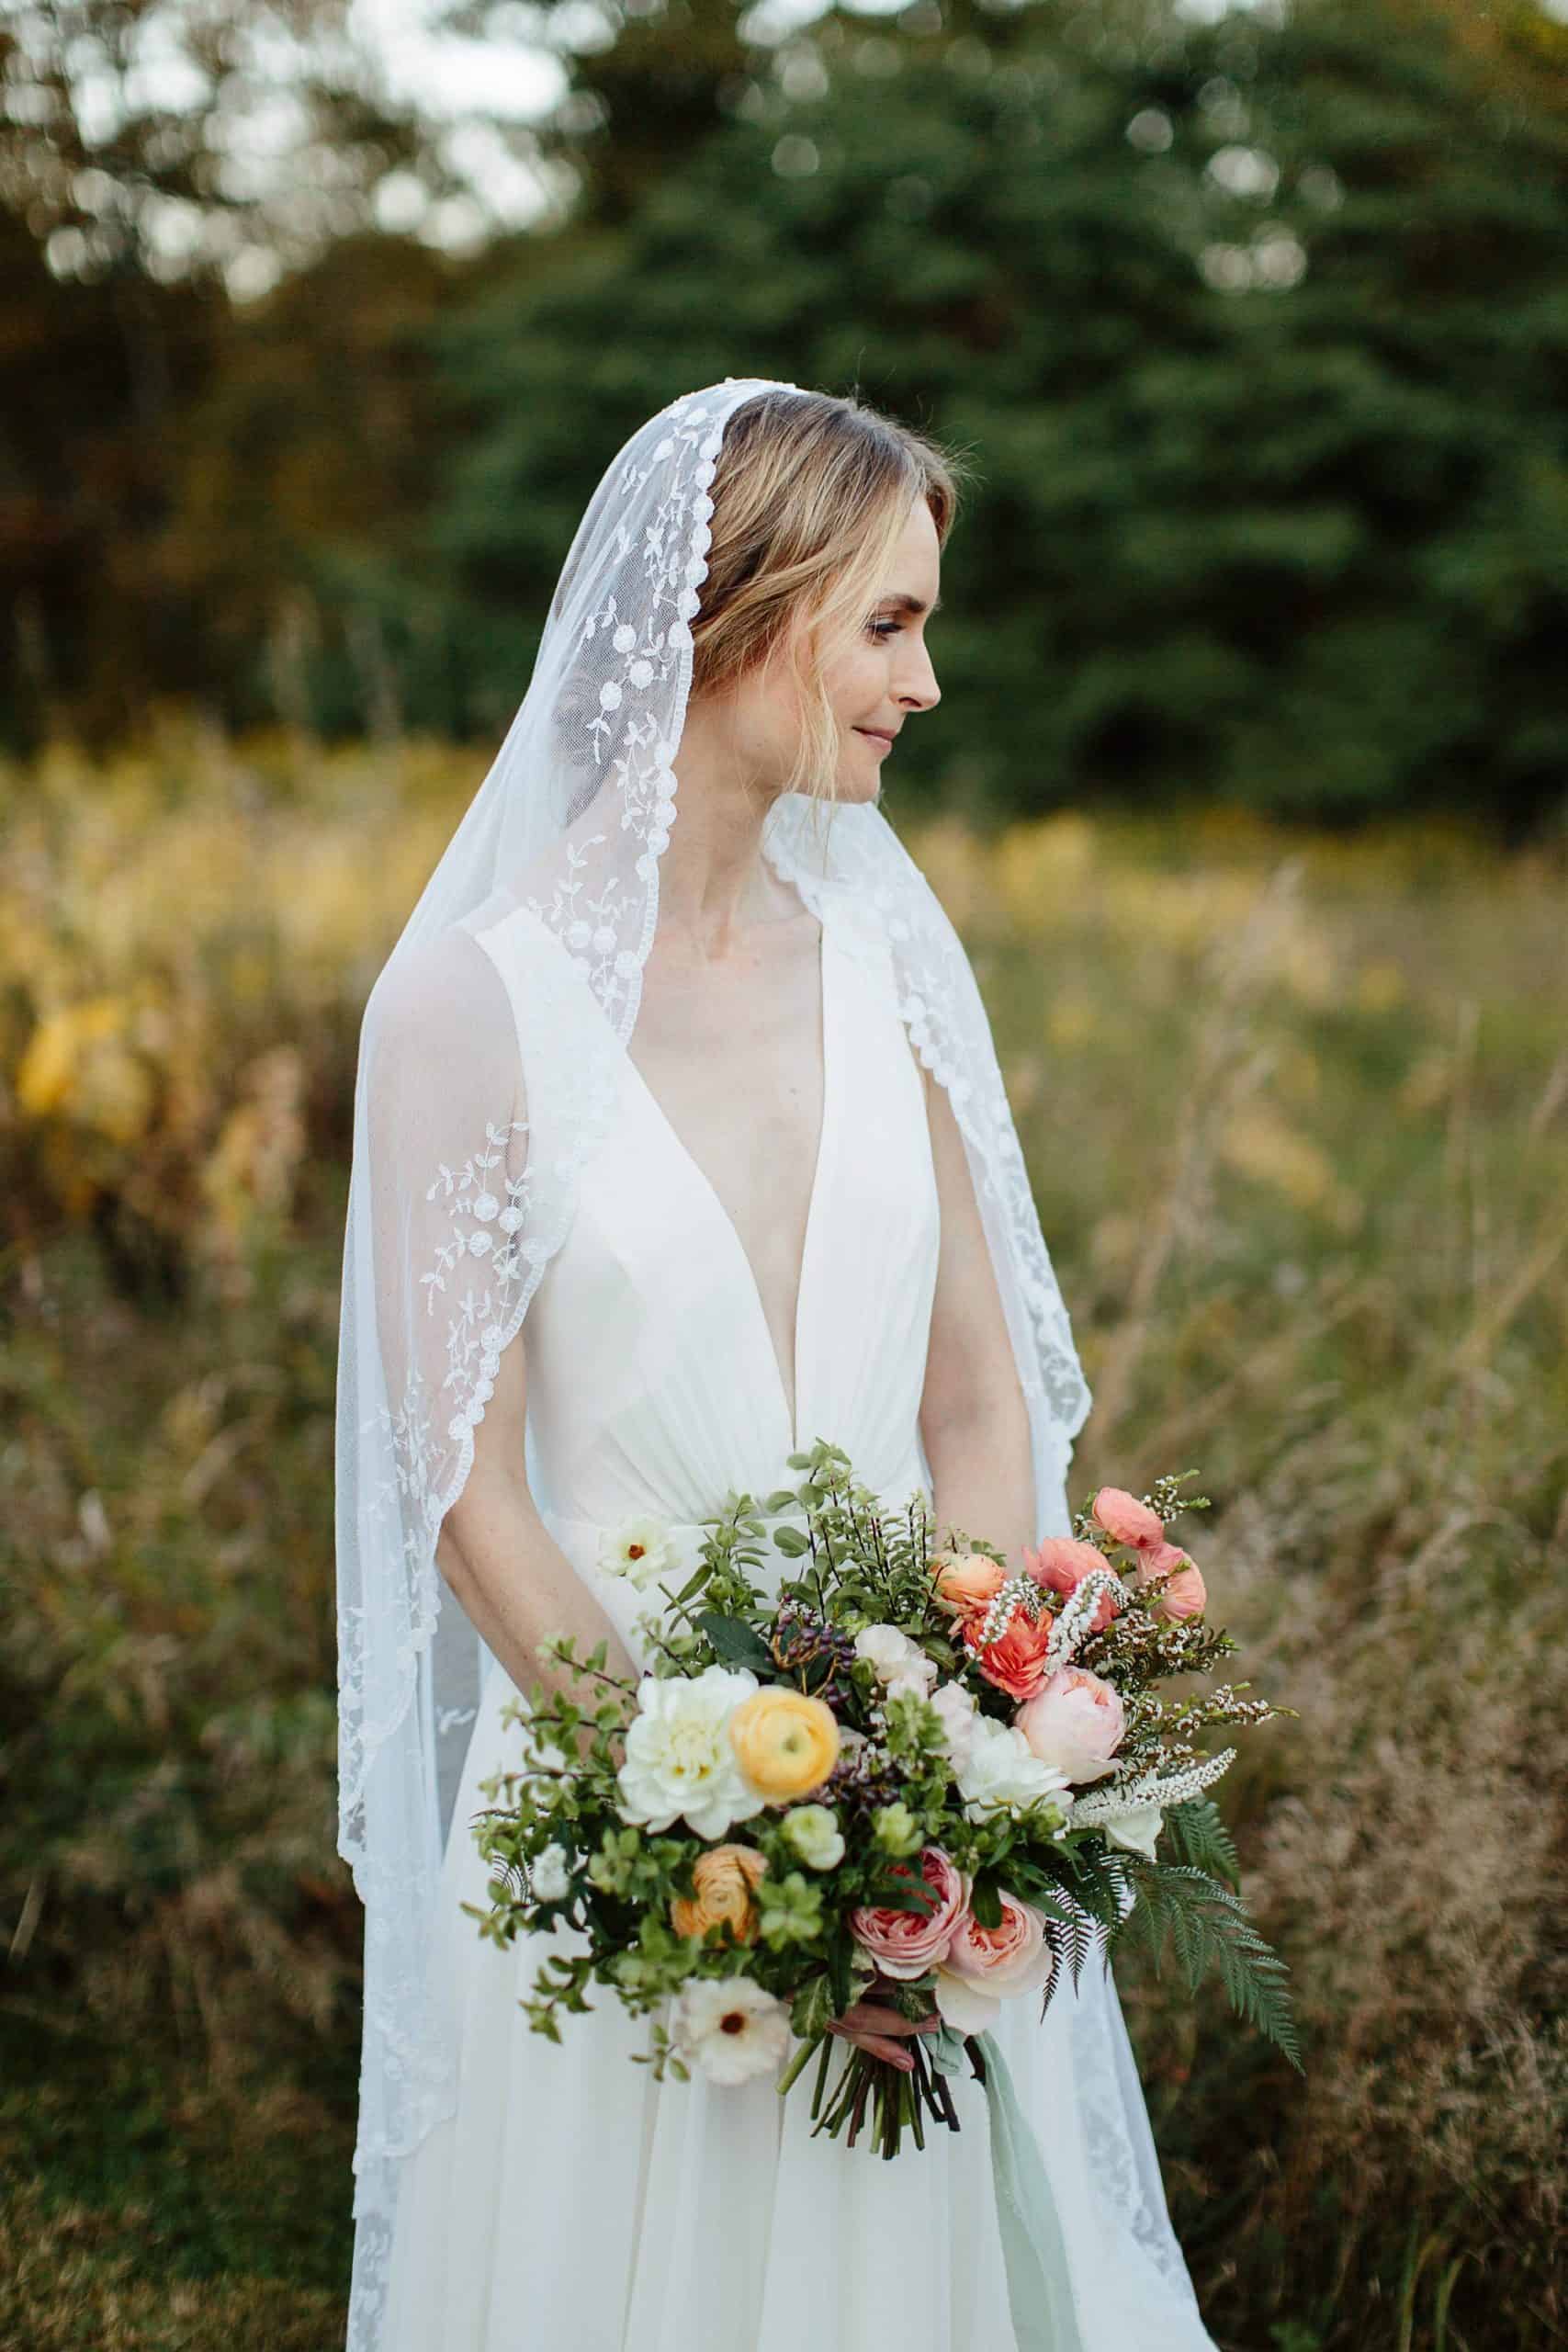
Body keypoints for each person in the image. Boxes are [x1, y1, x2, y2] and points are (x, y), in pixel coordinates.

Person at [334, 378, 1219, 2350]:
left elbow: (977, 1400)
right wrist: (696, 1815)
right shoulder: (468, 1003)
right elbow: (460, 1489)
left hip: (901, 1795)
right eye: (888, 624)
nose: (926, 677)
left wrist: (960, 1753)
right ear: (737, 612)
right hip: (618, 1790)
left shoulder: (887, 958)